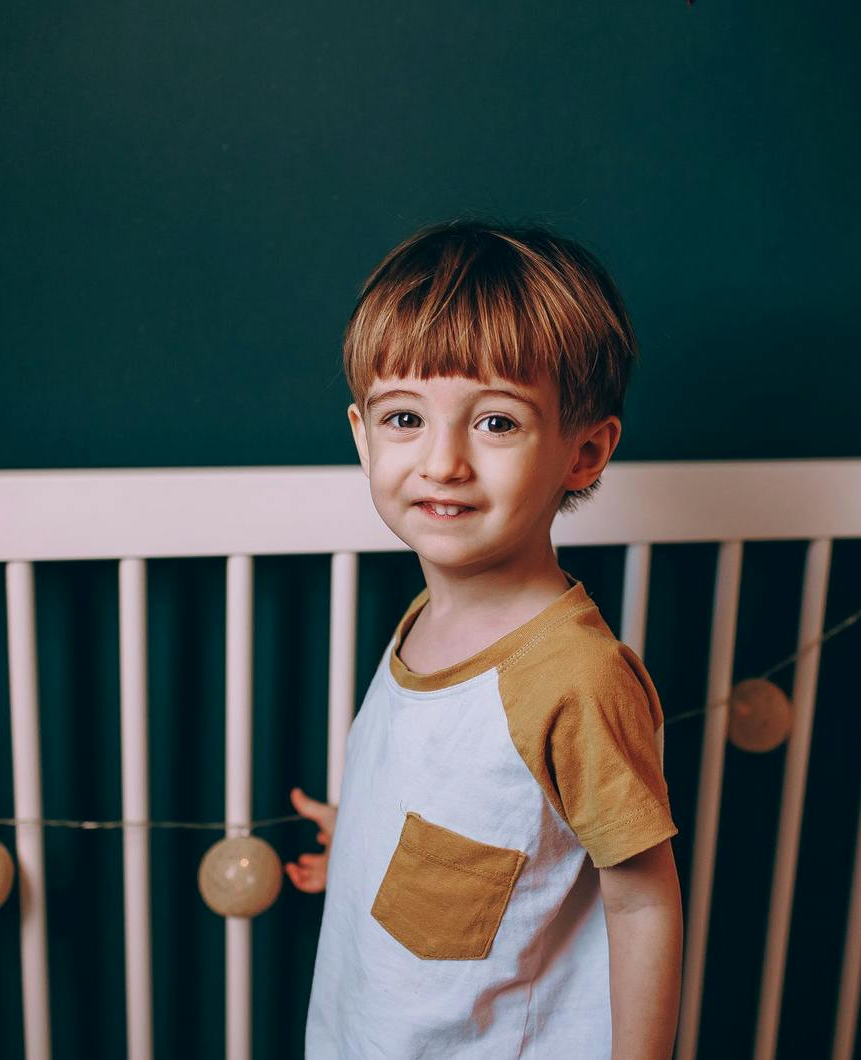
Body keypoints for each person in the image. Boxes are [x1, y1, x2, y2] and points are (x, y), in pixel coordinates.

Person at [287, 219, 682, 1058]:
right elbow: (481, 822)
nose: (442, 462)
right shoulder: (426, 619)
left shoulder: (575, 677)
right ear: (361, 434)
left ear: (584, 453)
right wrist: (361, 849)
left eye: (496, 423)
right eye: (404, 418)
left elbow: (643, 902)